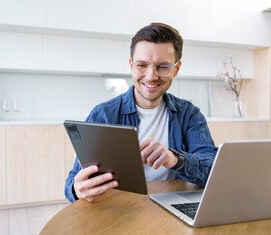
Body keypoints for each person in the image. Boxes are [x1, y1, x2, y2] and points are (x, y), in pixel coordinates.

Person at [65, 22, 218, 203]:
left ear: (176, 69)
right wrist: (78, 188)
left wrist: (175, 159)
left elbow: (213, 168)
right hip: (120, 210)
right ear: (131, 65)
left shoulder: (189, 115)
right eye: (142, 65)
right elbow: (72, 183)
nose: (151, 76)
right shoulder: (103, 115)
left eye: (163, 66)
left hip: (174, 208)